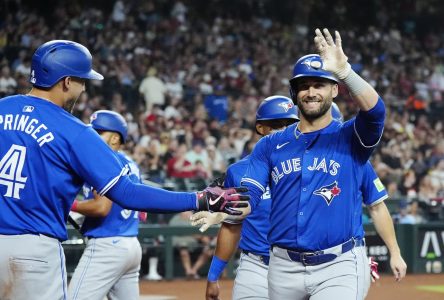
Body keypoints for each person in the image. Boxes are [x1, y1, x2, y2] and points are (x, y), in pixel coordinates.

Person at [0, 40, 248, 300]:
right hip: (34, 252)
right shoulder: (74, 130)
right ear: (66, 81)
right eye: (82, 81)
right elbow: (126, 192)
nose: (83, 88)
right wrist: (198, 199)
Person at [239, 28, 406, 300]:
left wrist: (345, 71)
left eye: (319, 84)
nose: (311, 91)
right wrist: (227, 205)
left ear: (334, 90)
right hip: (281, 266)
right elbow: (251, 193)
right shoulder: (269, 144)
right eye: (304, 86)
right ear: (294, 94)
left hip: (337, 264)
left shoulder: (351, 137)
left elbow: (376, 112)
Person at [197, 103, 388, 300]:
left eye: (290, 123)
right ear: (260, 128)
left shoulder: (322, 165)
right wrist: (213, 275)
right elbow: (232, 226)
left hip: (315, 265)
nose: (284, 129)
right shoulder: (239, 172)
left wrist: (356, 261)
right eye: (277, 124)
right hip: (257, 266)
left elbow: (357, 208)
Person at [68, 110, 146, 300]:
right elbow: (143, 212)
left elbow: (101, 208)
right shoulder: (131, 164)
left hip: (107, 246)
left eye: (98, 132)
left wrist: (70, 205)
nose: (92, 137)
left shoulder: (102, 161)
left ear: (114, 138)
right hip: (131, 246)